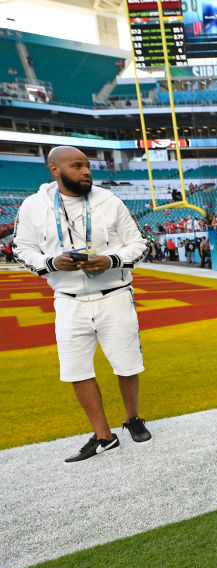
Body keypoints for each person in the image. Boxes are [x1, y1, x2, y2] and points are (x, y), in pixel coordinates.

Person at [11, 146, 151, 462]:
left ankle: (132, 418)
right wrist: (51, 262)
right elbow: (22, 250)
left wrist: (111, 260)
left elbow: (139, 245)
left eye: (88, 165)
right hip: (68, 300)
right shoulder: (33, 206)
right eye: (77, 165)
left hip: (114, 294)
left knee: (128, 363)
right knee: (75, 368)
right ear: (55, 170)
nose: (86, 171)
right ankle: (103, 435)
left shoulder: (109, 201)